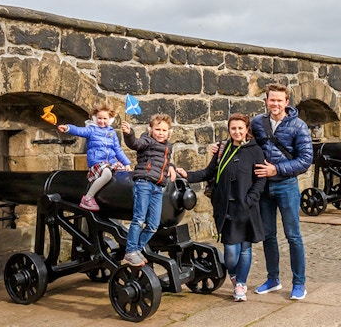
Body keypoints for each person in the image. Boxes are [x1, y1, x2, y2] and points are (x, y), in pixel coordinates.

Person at [177, 114, 266, 302]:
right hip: (225, 209)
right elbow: (209, 172)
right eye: (233, 128)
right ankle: (233, 275)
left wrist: (250, 199)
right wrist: (188, 175)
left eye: (240, 128)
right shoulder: (222, 150)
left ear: (247, 129)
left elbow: (260, 179)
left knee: (245, 248)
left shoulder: (255, 150)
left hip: (246, 209)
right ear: (229, 129)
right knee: (231, 253)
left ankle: (241, 284)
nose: (237, 132)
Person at [251, 83, 313, 300]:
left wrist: (276, 169)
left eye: (279, 100)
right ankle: (273, 279)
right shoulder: (258, 123)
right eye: (271, 99)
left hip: (287, 186)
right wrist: (220, 147)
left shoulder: (298, 126)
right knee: (268, 235)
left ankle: (299, 283)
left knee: (293, 236)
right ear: (266, 100)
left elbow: (306, 160)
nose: (275, 104)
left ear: (286, 102)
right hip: (264, 188)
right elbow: (244, 142)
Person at [121, 113, 177, 267]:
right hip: (144, 183)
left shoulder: (167, 147)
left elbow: (164, 163)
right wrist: (129, 133)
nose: (161, 133)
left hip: (158, 187)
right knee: (139, 219)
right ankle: (130, 251)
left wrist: (171, 167)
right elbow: (135, 144)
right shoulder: (147, 141)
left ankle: (136, 249)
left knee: (153, 224)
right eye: (157, 129)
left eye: (164, 130)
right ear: (151, 129)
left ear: (169, 132)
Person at [58, 101, 131, 211]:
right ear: (95, 118)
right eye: (99, 118)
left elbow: (117, 150)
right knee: (107, 175)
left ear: (110, 119)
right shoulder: (91, 130)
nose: (101, 121)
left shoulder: (112, 133)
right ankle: (88, 198)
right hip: (98, 162)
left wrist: (126, 163)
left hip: (111, 162)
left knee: (124, 174)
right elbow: (79, 130)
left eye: (104, 119)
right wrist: (68, 128)